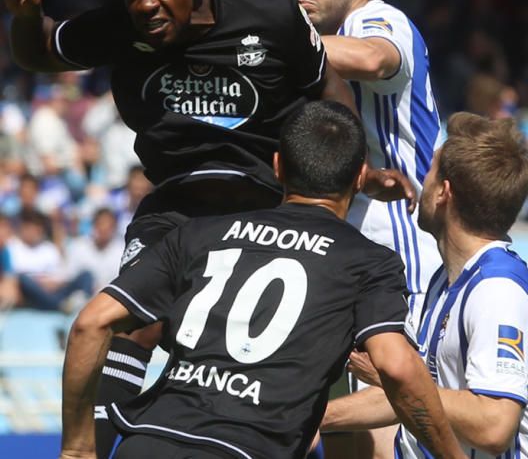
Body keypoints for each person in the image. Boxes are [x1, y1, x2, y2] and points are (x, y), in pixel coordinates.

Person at [0, 0, 412, 457]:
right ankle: (88, 451)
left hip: (268, 204)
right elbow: (41, 54)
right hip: (176, 204)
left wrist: (355, 169)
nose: (144, 4)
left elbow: (325, 85)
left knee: (314, 348)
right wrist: (26, 14)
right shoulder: (120, 26)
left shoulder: (270, 15)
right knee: (129, 322)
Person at [60, 101, 465, 459]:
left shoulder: (200, 234)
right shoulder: (367, 262)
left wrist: (78, 450)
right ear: (360, 177)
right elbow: (396, 367)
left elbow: (90, 323)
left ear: (277, 166)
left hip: (146, 441)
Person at [281, 0, 442, 458]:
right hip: (351, 245)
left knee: (390, 416)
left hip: (404, 246)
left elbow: (374, 59)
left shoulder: (378, 18)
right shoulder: (319, 55)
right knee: (350, 436)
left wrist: (262, 41)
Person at [321, 111, 528, 458]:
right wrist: (313, 419)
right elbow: (415, 400)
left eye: (428, 173)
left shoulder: (496, 291)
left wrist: (399, 380)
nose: (422, 182)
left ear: (444, 193)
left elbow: (494, 425)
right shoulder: (445, 280)